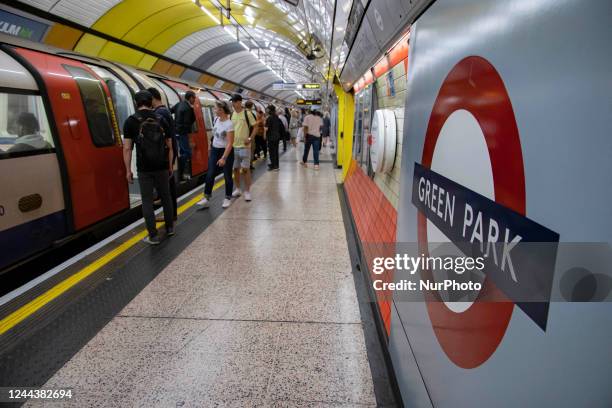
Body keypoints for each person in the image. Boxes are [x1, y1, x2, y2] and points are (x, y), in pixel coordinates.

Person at [123, 90, 174, 245]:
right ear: (151, 102)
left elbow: (127, 148)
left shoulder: (131, 121)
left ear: (136, 103)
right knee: (166, 197)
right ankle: (170, 228)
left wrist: (128, 170)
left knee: (147, 201)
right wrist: (170, 165)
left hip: (144, 167)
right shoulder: (161, 118)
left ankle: (153, 236)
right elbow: (169, 145)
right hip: (162, 165)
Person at [197, 101, 234, 209]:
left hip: (225, 151)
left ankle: (227, 198)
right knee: (210, 174)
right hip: (215, 150)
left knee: (227, 175)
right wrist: (210, 148)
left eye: (215, 108)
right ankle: (206, 197)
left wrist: (224, 158)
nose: (214, 110)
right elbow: (214, 137)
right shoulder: (216, 119)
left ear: (221, 110)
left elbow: (230, 143)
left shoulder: (229, 124)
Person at [148, 87, 178, 222]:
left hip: (166, 152)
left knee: (168, 187)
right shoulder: (165, 110)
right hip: (169, 151)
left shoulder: (160, 113)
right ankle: (171, 215)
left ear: (153, 98)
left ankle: (170, 216)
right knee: (168, 185)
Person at [229, 93, 256, 202]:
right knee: (235, 169)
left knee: (245, 169)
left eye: (234, 102)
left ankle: (247, 191)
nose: (233, 104)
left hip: (245, 147)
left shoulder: (247, 114)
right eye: (232, 102)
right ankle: (238, 189)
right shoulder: (232, 115)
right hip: (234, 146)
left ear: (240, 102)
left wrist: (250, 138)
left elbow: (255, 127)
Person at [173, 90, 196, 180]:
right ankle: (182, 171)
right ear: (190, 98)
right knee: (188, 153)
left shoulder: (179, 104)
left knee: (183, 152)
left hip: (176, 133)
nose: (194, 100)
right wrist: (190, 139)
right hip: (183, 134)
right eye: (194, 98)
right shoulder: (188, 108)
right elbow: (187, 124)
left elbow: (170, 110)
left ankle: (182, 170)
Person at [265, 105, 283, 171]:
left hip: (271, 137)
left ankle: (273, 166)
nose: (266, 110)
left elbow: (266, 129)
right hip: (277, 136)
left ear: (269, 110)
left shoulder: (269, 118)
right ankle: (276, 165)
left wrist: (264, 134)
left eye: (267, 109)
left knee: (271, 152)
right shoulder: (277, 117)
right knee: (275, 151)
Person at [244, 100, 257, 170]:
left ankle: (244, 165)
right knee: (251, 151)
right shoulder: (251, 114)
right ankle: (250, 165)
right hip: (250, 136)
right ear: (251, 106)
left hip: (242, 136)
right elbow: (255, 126)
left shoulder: (241, 113)